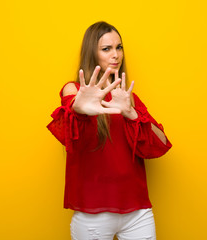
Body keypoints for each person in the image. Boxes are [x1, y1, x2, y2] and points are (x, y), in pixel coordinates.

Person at [47, 21, 172, 240]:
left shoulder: (126, 97)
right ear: (92, 54)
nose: (116, 55)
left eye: (119, 47)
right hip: (93, 215)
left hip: (137, 213)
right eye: (107, 49)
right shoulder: (73, 90)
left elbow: (160, 144)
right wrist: (79, 110)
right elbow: (67, 132)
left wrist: (132, 113)